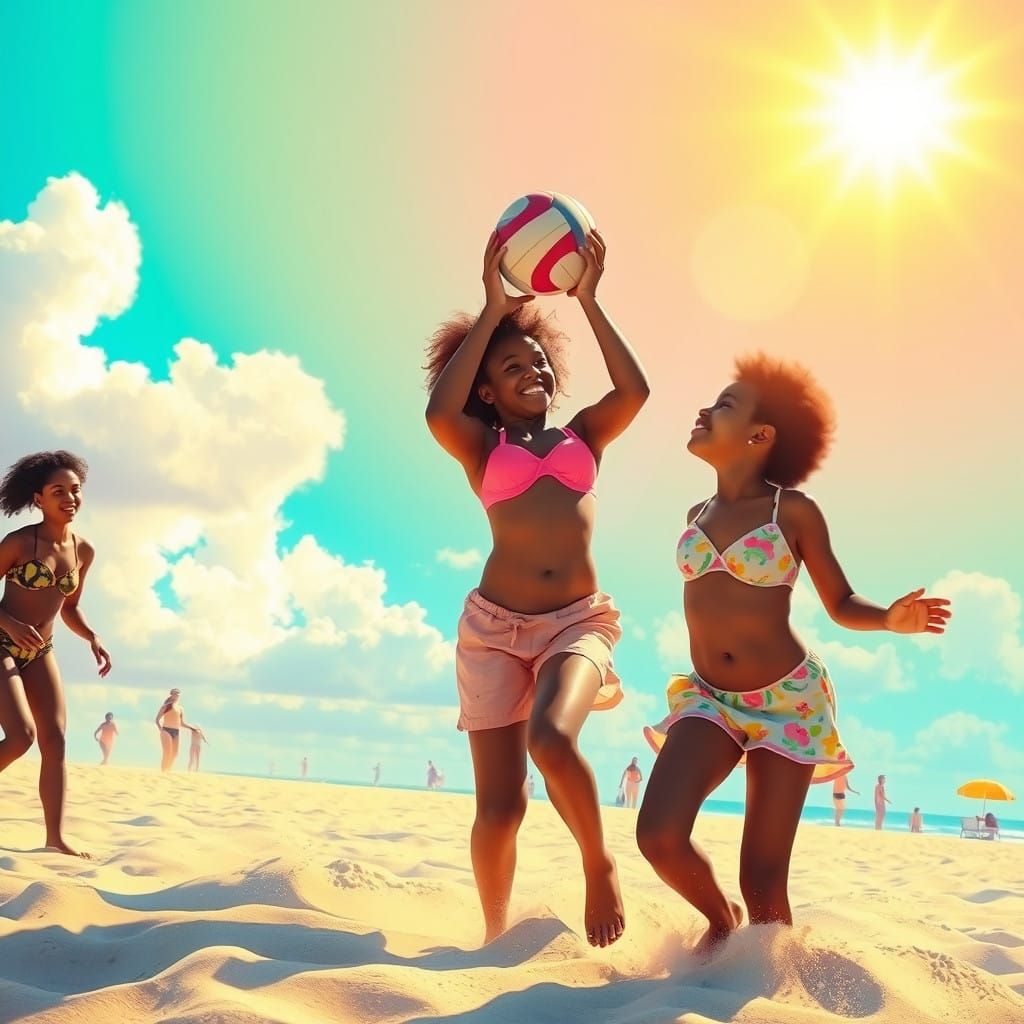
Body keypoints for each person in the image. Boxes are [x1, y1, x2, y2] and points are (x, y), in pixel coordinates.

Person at [635, 355, 951, 958]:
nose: (704, 410)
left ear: (760, 436)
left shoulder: (792, 511)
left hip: (787, 702)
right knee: (659, 836)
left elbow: (839, 601)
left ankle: (768, 982)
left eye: (724, 405)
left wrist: (887, 618)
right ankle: (719, 920)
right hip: (710, 698)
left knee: (762, 879)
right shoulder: (694, 515)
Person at [425, 229, 649, 948]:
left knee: (553, 738)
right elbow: (439, 412)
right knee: (499, 809)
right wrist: (493, 311)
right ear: (486, 390)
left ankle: (598, 863)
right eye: (514, 366)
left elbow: (636, 390)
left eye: (542, 360)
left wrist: (588, 300)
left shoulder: (584, 435)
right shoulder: (482, 446)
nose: (536, 370)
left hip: (576, 623)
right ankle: (493, 931)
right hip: (492, 631)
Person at [0, 451, 112, 857]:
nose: (70, 498)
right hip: (0, 644)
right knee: (21, 737)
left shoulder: (84, 551)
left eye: (75, 490)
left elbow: (70, 606)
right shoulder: (17, 543)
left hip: (41, 651)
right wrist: (9, 623)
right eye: (58, 491)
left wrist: (92, 636)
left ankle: (54, 839)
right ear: (38, 499)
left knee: (56, 741)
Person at [155, 688, 189, 772]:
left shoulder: (180, 708)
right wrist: (161, 729)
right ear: (171, 695)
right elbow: (157, 719)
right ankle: (163, 771)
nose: (176, 696)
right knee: (167, 752)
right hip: (166, 730)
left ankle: (168, 769)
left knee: (175, 753)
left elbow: (182, 723)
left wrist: (193, 728)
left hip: (176, 731)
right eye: (174, 694)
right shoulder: (167, 706)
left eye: (177, 694)